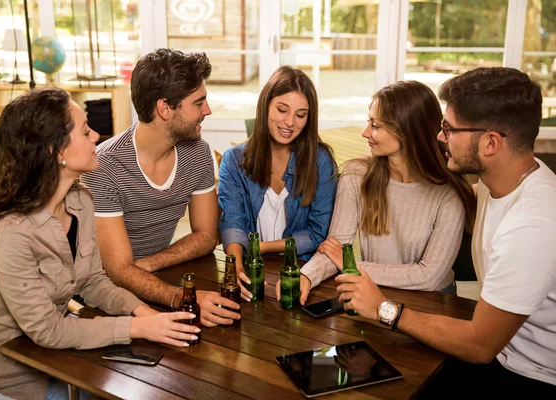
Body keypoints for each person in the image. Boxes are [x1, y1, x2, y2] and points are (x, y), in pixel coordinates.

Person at [0, 88, 202, 400]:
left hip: (54, 365)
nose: (97, 135)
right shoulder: (10, 232)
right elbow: (47, 330)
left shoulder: (81, 200)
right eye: (85, 131)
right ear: (54, 150)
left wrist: (142, 312)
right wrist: (136, 328)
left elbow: (93, 281)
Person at [337, 68, 556, 395]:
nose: (439, 137)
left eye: (449, 129)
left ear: (491, 143)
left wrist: (384, 309)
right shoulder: (498, 182)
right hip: (502, 353)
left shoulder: (531, 224)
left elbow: (480, 346)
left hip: (530, 373)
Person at [82, 48, 240, 326]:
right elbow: (116, 272)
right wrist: (186, 298)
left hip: (156, 277)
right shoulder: (105, 167)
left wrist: (149, 264)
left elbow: (206, 236)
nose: (208, 110)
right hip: (102, 295)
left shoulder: (198, 153)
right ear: (165, 108)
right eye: (198, 103)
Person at [299, 80, 476, 304]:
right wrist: (306, 276)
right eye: (368, 122)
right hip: (374, 294)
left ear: (407, 130)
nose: (365, 133)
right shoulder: (356, 175)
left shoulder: (448, 193)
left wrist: (351, 265)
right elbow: (335, 247)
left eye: (376, 125)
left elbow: (429, 276)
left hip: (434, 302)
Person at [218, 66, 337, 301]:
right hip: (254, 272)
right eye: (282, 110)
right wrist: (236, 266)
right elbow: (233, 221)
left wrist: (261, 248)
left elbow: (317, 233)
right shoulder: (233, 160)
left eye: (301, 115)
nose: (290, 122)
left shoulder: (320, 161)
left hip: (302, 274)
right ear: (266, 106)